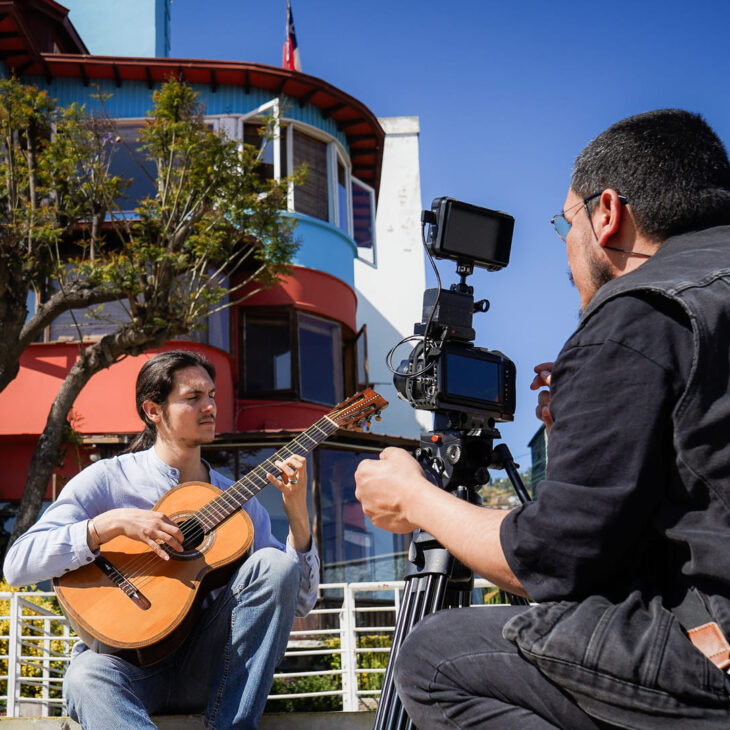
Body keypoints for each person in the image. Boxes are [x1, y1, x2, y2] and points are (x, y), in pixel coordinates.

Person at [355, 109, 730, 728]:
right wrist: (582, 431)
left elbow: (556, 562)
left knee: (435, 657)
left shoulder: (638, 316)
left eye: (566, 221)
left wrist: (414, 500)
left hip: (712, 654)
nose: (567, 241)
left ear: (606, 213)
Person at [3, 349, 319, 729]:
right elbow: (17, 565)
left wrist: (299, 518)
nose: (210, 407)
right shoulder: (108, 479)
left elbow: (297, 602)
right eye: (193, 398)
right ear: (153, 411)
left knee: (276, 562)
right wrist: (110, 524)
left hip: (213, 670)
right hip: (128, 672)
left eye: (212, 395)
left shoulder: (238, 503)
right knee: (85, 676)